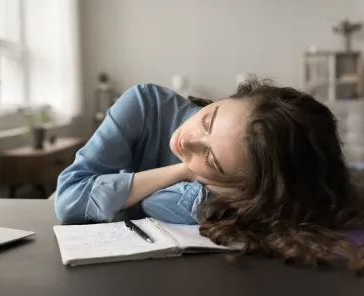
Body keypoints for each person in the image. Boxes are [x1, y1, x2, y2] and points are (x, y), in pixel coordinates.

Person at [55, 77, 364, 272]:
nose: (186, 141)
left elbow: (158, 206)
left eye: (212, 160)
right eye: (207, 120)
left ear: (243, 189)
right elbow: (69, 201)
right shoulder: (143, 105)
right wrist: (183, 170)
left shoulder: (239, 195)